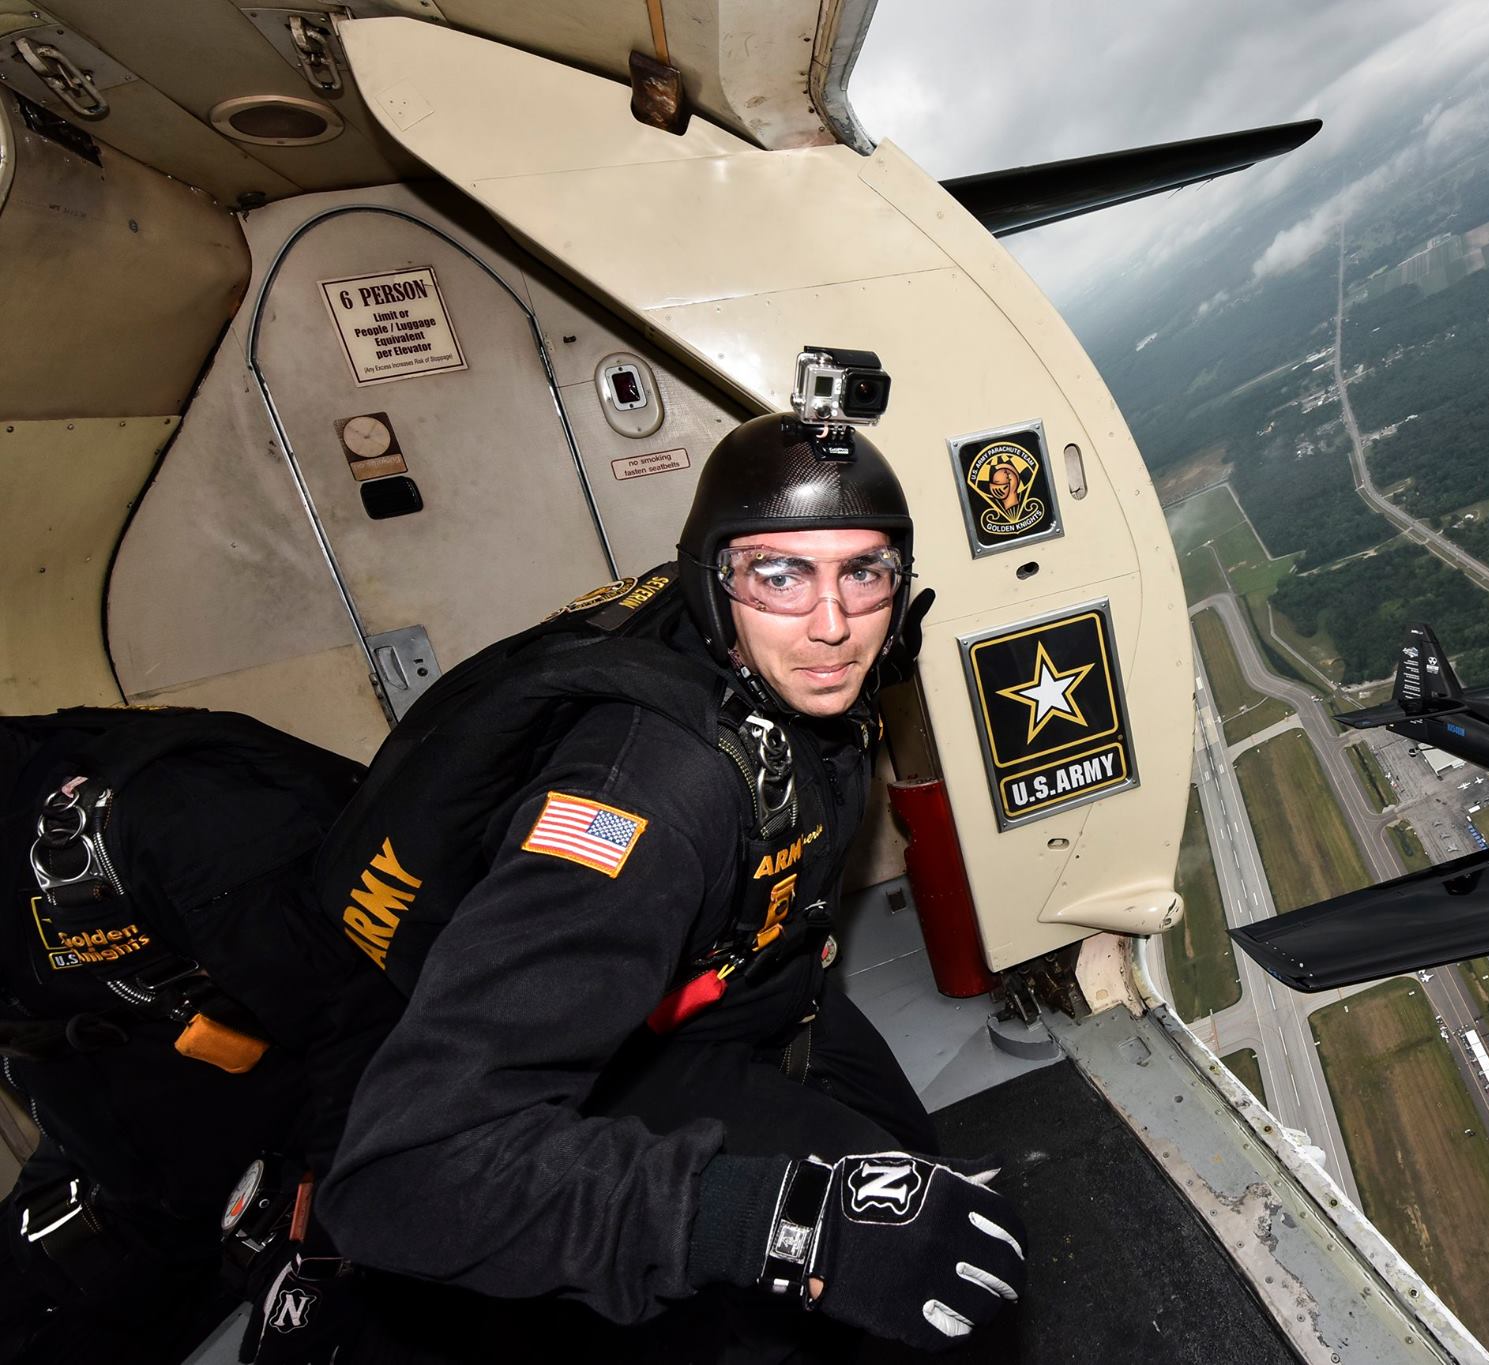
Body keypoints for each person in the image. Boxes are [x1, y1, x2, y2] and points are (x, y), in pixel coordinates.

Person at [312, 414, 1025, 1363]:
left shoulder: (807, 668)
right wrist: (767, 1224)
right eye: (779, 573)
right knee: (853, 1293)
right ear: (713, 583)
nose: (832, 623)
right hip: (645, 1054)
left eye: (864, 571)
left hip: (769, 993)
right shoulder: (650, 793)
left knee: (927, 1197)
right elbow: (401, 1176)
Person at [0, 707, 370, 1364]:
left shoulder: (164, 811)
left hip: (295, 1171)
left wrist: (324, 1233)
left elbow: (365, 1021)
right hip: (124, 1184)